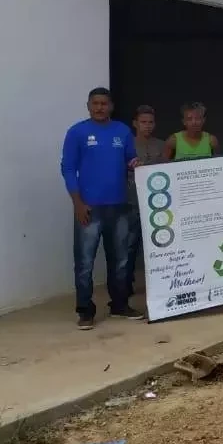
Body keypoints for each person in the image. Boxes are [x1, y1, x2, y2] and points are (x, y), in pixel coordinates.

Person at [60, 87, 144, 329]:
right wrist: (77, 203)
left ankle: (119, 304)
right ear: (88, 106)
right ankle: (85, 310)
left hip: (119, 207)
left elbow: (130, 160)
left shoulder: (123, 131)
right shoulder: (77, 132)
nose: (99, 107)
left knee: (120, 260)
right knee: (85, 262)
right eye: (95, 103)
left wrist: (135, 164)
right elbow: (67, 168)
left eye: (104, 103)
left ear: (111, 106)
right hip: (89, 208)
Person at [125, 105, 167, 299]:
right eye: (143, 122)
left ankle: (161, 282)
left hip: (158, 204)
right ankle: (126, 284)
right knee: (129, 245)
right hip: (132, 202)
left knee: (160, 243)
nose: (147, 126)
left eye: (150, 122)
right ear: (135, 124)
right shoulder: (127, 144)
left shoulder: (162, 145)